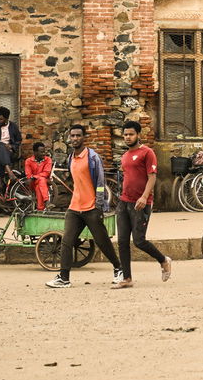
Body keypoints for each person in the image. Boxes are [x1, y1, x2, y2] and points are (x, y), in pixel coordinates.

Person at [46, 123, 123, 289]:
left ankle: (119, 268)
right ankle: (64, 277)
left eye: (78, 136)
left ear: (84, 138)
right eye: (72, 136)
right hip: (75, 207)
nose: (75, 139)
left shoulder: (93, 157)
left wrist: (99, 204)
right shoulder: (71, 158)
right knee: (67, 241)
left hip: (91, 207)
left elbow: (101, 182)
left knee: (102, 241)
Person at [114, 120, 173, 288]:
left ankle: (163, 260)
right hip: (124, 202)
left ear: (138, 135)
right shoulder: (125, 156)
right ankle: (127, 278)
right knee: (122, 241)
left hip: (141, 203)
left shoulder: (147, 153)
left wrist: (144, 197)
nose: (127, 137)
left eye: (131, 134)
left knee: (139, 240)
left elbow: (152, 176)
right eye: (125, 134)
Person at [0, 107, 22, 183]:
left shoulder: (13, 127)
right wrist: (2, 145)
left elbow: (18, 140)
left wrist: (12, 146)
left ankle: (0, 182)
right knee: (1, 148)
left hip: (9, 151)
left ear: (6, 119)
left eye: (1, 119)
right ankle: (9, 172)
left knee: (1, 155)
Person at [24, 142, 53, 210]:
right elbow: (28, 175)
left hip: (44, 183)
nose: (44, 154)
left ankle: (41, 208)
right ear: (35, 152)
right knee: (40, 181)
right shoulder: (28, 161)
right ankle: (46, 202)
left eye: (44, 152)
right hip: (32, 183)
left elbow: (46, 173)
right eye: (41, 152)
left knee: (40, 183)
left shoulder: (48, 160)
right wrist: (34, 177)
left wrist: (34, 177)